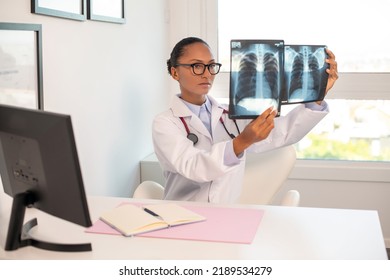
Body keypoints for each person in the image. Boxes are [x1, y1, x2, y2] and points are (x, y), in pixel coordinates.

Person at [152, 37, 338, 203]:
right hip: (182, 216)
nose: (207, 74)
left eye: (211, 65)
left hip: (227, 216)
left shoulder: (229, 115)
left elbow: (279, 134)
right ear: (175, 73)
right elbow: (194, 166)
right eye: (197, 66)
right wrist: (242, 142)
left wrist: (317, 97)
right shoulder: (165, 123)